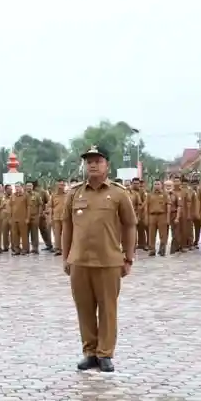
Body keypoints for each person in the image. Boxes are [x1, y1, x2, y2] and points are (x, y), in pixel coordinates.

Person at [59, 145, 136, 373]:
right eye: (89, 161)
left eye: (97, 161)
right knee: (84, 309)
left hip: (109, 261)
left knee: (107, 309)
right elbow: (66, 227)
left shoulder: (118, 194)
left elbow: (130, 225)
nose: (92, 165)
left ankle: (105, 354)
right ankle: (90, 352)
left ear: (106, 165)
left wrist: (128, 258)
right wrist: (66, 257)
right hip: (80, 261)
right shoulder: (74, 194)